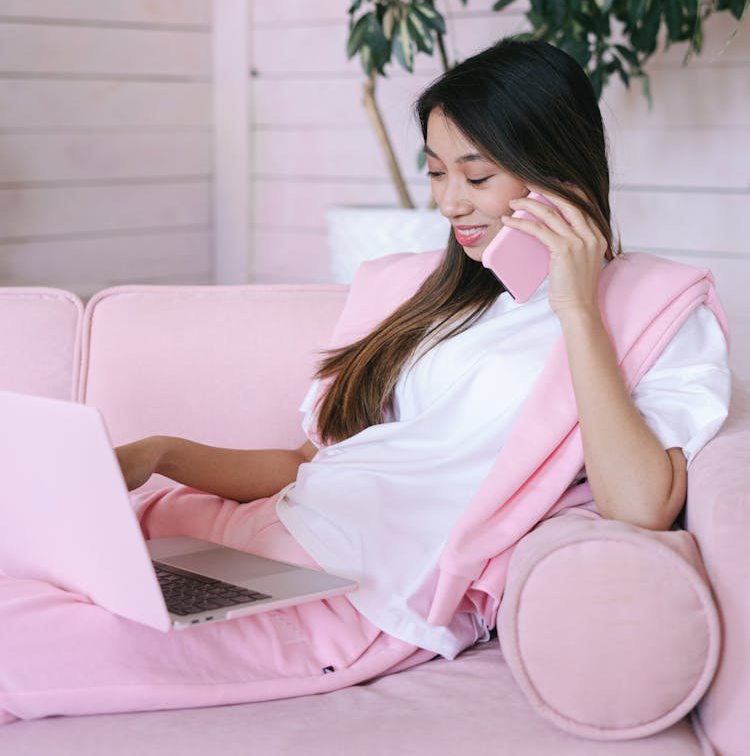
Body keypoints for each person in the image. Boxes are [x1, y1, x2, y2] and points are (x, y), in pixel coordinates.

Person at [0, 38, 731, 724]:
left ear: (559, 172)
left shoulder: (654, 311)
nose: (449, 203)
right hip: (253, 541)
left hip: (358, 594)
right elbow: (317, 467)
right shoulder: (439, 296)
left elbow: (638, 505)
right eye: (438, 172)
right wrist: (159, 454)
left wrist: (577, 307)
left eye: (476, 175)